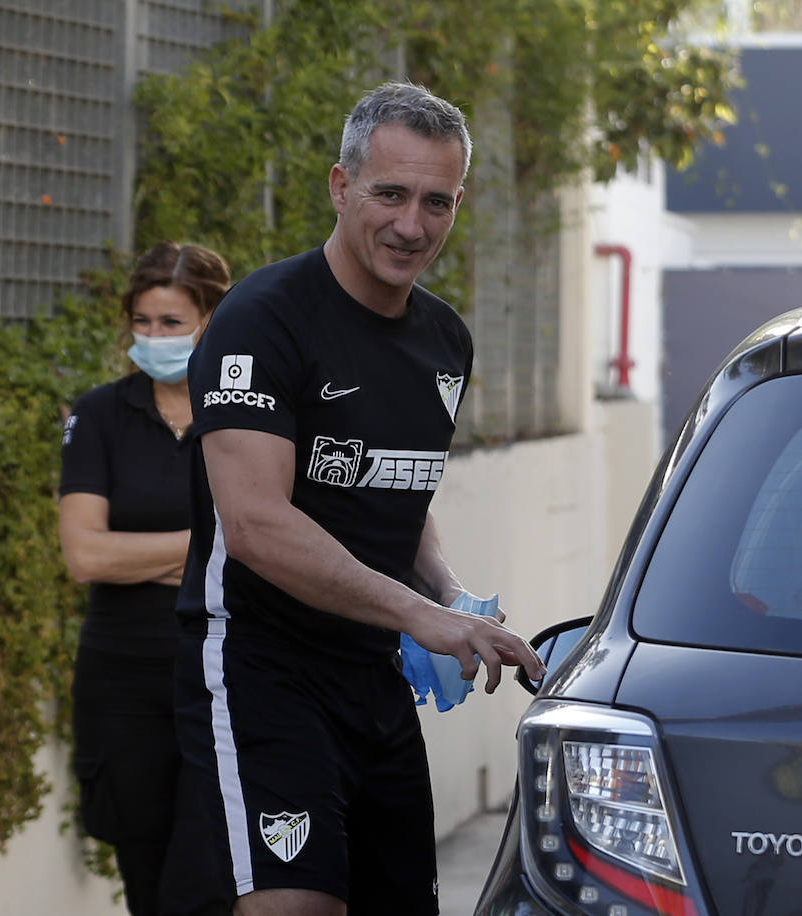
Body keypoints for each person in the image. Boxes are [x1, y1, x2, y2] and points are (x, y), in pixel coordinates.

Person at [174, 81, 546, 916]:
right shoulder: (261, 321)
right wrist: (423, 617)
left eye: (436, 202)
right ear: (341, 186)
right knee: (297, 905)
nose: (412, 225)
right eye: (390, 193)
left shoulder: (447, 339)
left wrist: (449, 591)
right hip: (258, 669)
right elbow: (258, 524)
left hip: (372, 674)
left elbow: (397, 486)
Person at [58, 240, 234, 916]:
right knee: (147, 881)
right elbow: (86, 557)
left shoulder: (243, 415)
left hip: (222, 677)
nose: (154, 338)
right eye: (143, 322)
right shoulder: (101, 414)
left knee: (211, 879)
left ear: (212, 321)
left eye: (172, 323)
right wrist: (209, 546)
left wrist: (150, 556)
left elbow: (271, 545)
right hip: (123, 682)